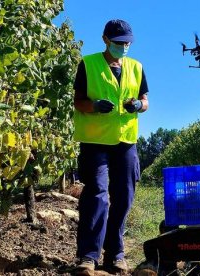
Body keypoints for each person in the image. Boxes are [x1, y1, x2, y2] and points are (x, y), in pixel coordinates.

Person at [72, 19, 149, 275]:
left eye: (127, 42)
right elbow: (78, 101)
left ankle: (115, 253)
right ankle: (88, 256)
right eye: (119, 42)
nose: (124, 47)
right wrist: (94, 106)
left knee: (124, 196)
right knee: (97, 194)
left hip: (126, 141)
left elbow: (145, 100)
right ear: (105, 39)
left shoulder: (136, 67)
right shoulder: (89, 64)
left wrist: (137, 106)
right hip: (96, 141)